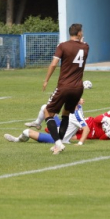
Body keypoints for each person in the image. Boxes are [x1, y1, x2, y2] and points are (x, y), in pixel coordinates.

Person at [42, 23, 89, 155]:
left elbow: (53, 64)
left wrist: (46, 80)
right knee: (66, 113)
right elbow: (81, 49)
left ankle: (57, 143)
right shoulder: (86, 47)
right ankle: (59, 146)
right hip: (78, 88)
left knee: (47, 112)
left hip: (64, 86)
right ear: (79, 33)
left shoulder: (63, 46)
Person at [5, 107, 110, 145]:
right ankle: (38, 123)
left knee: (50, 129)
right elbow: (93, 122)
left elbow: (99, 138)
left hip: (72, 134)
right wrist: (107, 119)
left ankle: (21, 137)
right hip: (75, 128)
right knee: (46, 110)